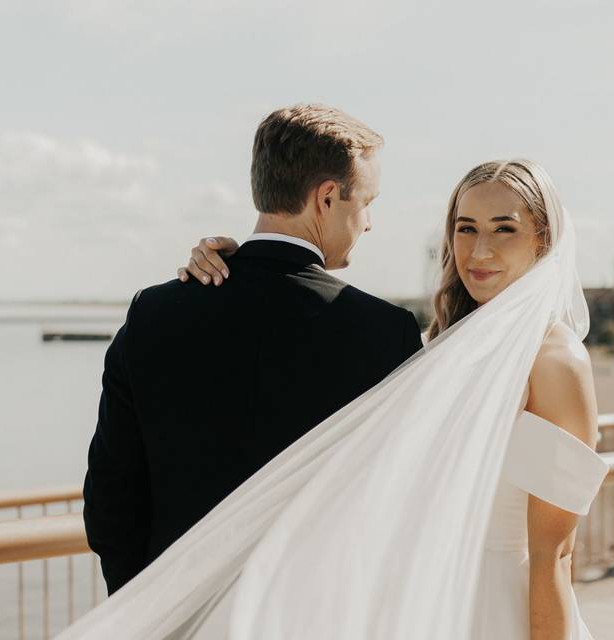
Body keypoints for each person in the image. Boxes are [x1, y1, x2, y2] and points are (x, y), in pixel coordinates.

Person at [65, 155, 607, 639]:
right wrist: (228, 263)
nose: (479, 250)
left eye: (503, 230)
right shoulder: (443, 345)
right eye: (466, 228)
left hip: (498, 611)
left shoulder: (556, 361)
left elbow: (553, 559)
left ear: (543, 239)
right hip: (419, 604)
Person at [82, 103, 423, 595]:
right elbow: (395, 504)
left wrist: (149, 611)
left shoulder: (154, 311)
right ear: (327, 198)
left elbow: (110, 501)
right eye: (366, 202)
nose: (369, 223)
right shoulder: (384, 333)